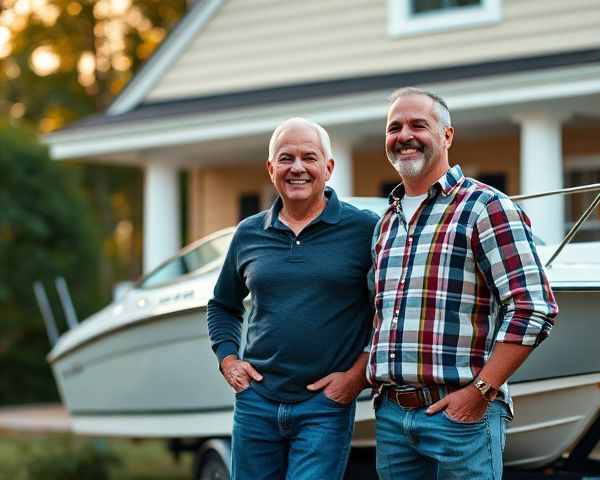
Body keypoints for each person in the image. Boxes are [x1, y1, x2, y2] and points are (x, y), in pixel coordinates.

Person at [368, 87, 559, 479]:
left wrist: (480, 393)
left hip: (462, 420)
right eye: (394, 127)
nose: (404, 135)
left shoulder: (486, 207)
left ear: (447, 136)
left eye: (418, 124)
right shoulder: (386, 223)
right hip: (392, 419)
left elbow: (533, 307)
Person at [206, 117, 378, 480]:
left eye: (309, 158)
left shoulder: (364, 230)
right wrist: (228, 360)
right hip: (256, 403)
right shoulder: (249, 233)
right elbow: (223, 305)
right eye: (286, 158)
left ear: (328, 168)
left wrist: (356, 376)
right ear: (271, 169)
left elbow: (389, 309)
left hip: (325, 406)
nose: (297, 168)